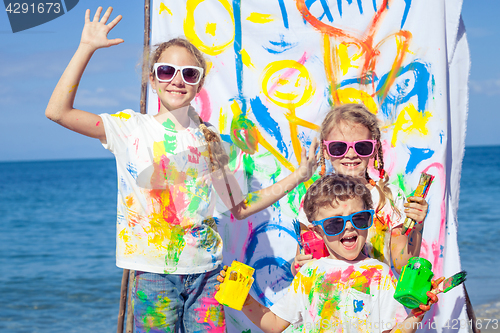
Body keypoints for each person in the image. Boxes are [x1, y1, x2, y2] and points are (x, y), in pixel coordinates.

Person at [45, 7, 318, 332]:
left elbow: (240, 207)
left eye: (189, 73)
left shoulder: (210, 139)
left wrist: (299, 176)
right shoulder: (129, 128)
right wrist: (86, 47)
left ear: (199, 83)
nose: (177, 80)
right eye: (166, 71)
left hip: (207, 277)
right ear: (152, 77)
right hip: (152, 276)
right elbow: (57, 112)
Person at [217, 174, 441, 333]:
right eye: (335, 223)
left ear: (369, 220)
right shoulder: (309, 274)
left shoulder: (379, 274)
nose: (349, 227)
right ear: (317, 231)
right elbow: (273, 324)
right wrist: (245, 300)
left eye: (359, 218)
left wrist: (415, 316)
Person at [291, 103, 428, 276]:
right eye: (339, 147)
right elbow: (302, 265)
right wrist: (297, 265)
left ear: (374, 149)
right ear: (325, 151)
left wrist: (417, 227)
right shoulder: (314, 199)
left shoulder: (390, 197)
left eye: (362, 147)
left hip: (377, 296)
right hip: (330, 299)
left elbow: (402, 265)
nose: (350, 154)